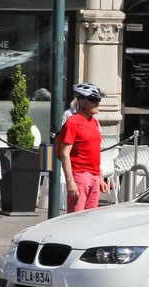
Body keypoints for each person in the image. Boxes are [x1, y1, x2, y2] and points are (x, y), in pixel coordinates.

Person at [57, 83, 107, 213]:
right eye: (94, 100)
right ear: (82, 102)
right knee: (75, 219)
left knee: (91, 220)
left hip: (94, 176)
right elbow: (65, 153)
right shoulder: (73, 122)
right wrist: (70, 181)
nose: (98, 103)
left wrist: (100, 177)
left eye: (98, 100)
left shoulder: (95, 122)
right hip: (80, 176)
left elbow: (95, 151)